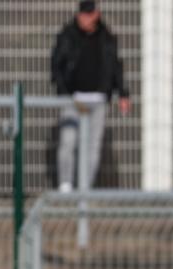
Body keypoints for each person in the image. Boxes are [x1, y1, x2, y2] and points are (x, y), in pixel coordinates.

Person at [51, 0, 130, 192]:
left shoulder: (107, 38)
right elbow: (56, 65)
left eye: (88, 14)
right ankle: (66, 185)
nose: (84, 18)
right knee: (68, 141)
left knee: (93, 147)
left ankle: (84, 189)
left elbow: (115, 67)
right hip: (73, 98)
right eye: (82, 14)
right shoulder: (68, 35)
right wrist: (64, 92)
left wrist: (122, 93)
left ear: (96, 15)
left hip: (98, 99)